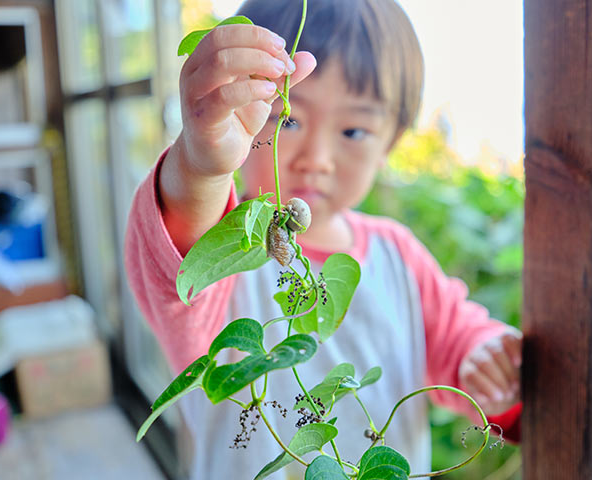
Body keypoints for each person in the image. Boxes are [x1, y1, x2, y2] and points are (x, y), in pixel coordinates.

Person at [124, 0, 522, 478]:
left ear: (390, 145)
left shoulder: (398, 256)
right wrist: (200, 167)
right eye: (287, 118)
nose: (317, 158)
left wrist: (486, 358)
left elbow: (458, 335)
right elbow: (182, 270)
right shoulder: (228, 243)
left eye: (353, 130)